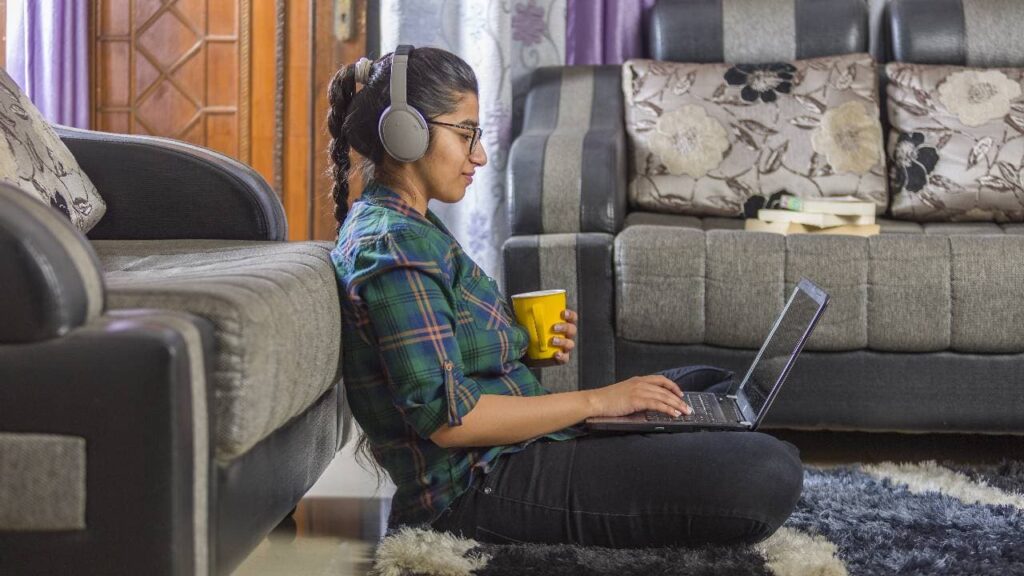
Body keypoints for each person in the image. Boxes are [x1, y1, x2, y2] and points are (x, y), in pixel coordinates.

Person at [328, 46, 803, 548]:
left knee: (709, 387)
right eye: (465, 133)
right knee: (769, 471)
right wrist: (598, 401)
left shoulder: (411, 227)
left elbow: (444, 353)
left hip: (515, 450)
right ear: (407, 132)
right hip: (478, 488)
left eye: (477, 135)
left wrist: (521, 343)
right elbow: (451, 421)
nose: (479, 155)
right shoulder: (393, 247)